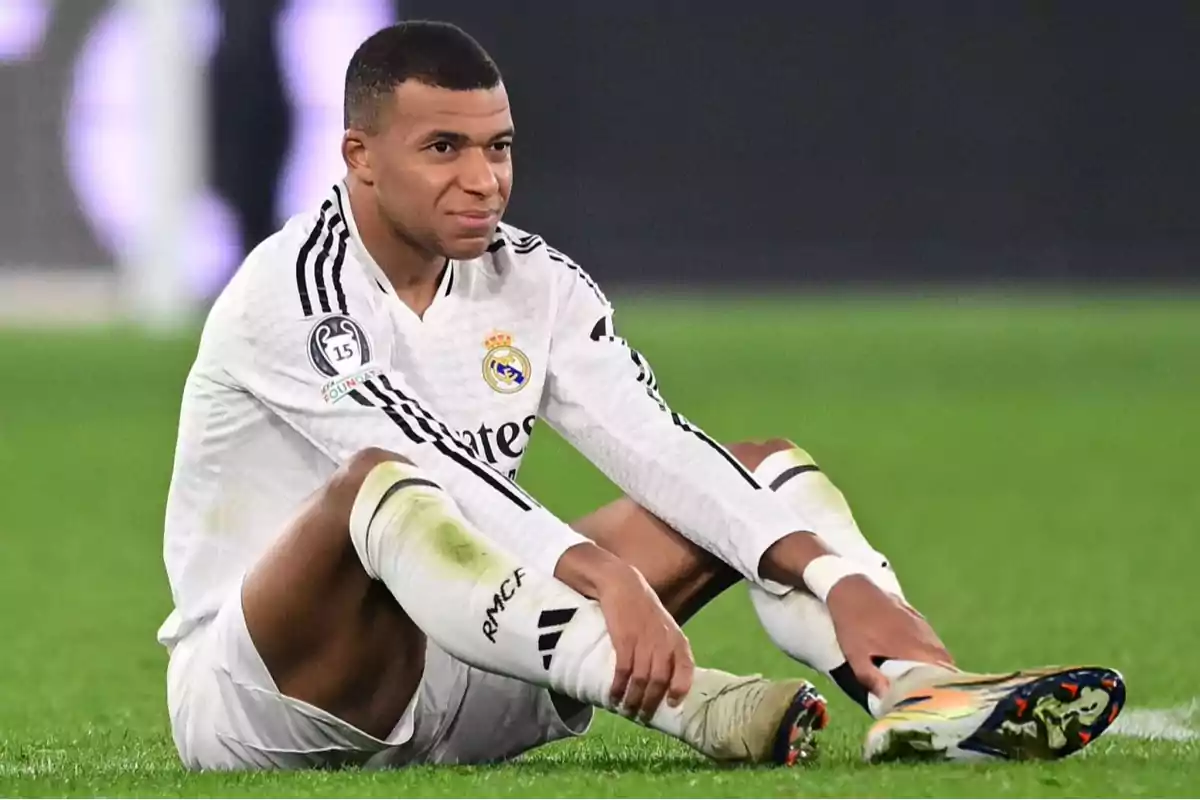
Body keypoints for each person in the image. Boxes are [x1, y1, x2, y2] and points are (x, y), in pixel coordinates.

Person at [158, 20, 1125, 771]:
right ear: (359, 157)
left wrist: (841, 578)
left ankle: (922, 694)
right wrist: (597, 570)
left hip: (488, 664)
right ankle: (693, 704)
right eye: (443, 148)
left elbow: (655, 445)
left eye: (498, 146)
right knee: (384, 480)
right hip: (278, 702)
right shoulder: (292, 291)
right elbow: (436, 470)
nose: (484, 181)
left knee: (757, 472)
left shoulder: (533, 281)